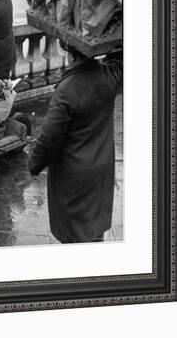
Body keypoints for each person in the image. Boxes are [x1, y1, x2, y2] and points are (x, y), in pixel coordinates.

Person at [27, 43, 123, 243]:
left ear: (70, 55)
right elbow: (121, 58)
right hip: (101, 169)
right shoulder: (109, 76)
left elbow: (48, 139)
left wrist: (34, 163)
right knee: (94, 228)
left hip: (74, 176)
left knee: (75, 235)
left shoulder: (67, 89)